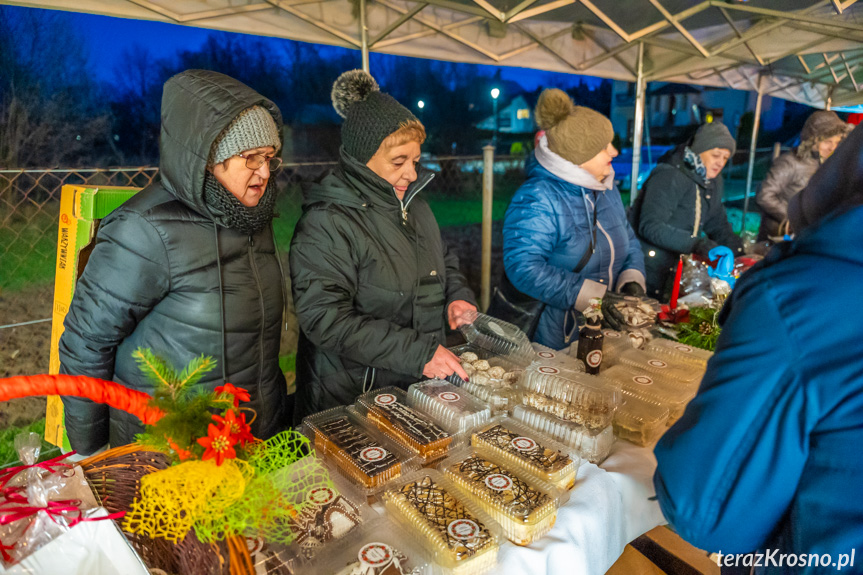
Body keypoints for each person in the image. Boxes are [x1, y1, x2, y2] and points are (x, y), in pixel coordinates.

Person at [653, 123, 863, 574]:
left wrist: (725, 244)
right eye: (719, 156)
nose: (723, 164)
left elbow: (702, 511)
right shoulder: (671, 178)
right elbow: (651, 226)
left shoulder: (795, 296)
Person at [58, 70, 291, 455]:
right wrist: (92, 450)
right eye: (251, 158)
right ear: (207, 158)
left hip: (244, 439)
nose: (264, 172)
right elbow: (86, 343)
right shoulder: (143, 229)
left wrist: (271, 416)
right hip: (167, 451)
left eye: (269, 158)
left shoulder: (252, 218)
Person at [289, 70, 476, 424]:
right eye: (398, 162)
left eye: (415, 161)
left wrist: (457, 296)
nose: (411, 173)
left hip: (414, 385)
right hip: (352, 399)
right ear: (364, 158)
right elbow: (324, 317)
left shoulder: (414, 203)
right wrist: (418, 352)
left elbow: (444, 259)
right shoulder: (328, 220)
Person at [501, 88, 646, 350]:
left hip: (603, 328)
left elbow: (628, 237)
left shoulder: (606, 188)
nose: (614, 152)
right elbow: (523, 267)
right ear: (579, 156)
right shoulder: (539, 197)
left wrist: (632, 277)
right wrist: (592, 297)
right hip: (557, 338)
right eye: (604, 147)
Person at [630, 122, 743, 300]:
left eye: (725, 158)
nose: (720, 162)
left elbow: (717, 222)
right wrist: (697, 245)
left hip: (678, 271)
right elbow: (650, 225)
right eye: (715, 155)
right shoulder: (670, 174)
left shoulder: (711, 181)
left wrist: (737, 253)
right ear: (699, 150)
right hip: (650, 267)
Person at [756, 110, 847, 241]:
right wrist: (792, 218)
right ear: (813, 140)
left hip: (806, 237)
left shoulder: (825, 165)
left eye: (836, 142)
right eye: (827, 141)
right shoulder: (790, 162)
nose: (832, 147)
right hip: (778, 239)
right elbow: (765, 195)